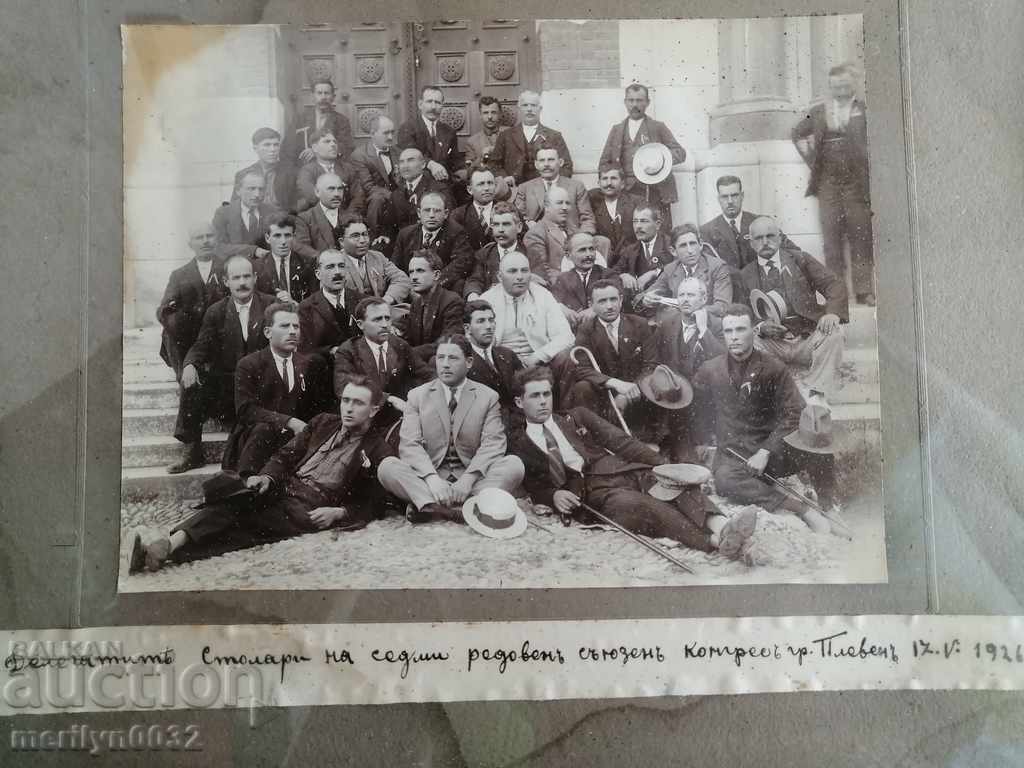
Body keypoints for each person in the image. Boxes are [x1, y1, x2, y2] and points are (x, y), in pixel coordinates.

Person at [128, 376, 397, 573]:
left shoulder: (376, 448)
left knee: (242, 524)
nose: (348, 408)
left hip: (308, 506)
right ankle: (165, 549)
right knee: (236, 501)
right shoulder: (322, 423)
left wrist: (339, 513)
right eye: (346, 400)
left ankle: (164, 547)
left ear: (373, 409)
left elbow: (374, 503)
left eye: (358, 403)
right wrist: (266, 477)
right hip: (281, 487)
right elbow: (285, 456)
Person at [510, 367, 756, 558]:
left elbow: (622, 442)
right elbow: (534, 485)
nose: (543, 401)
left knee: (672, 484)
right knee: (643, 505)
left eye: (546, 394)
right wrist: (553, 496)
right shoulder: (520, 444)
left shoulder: (576, 417)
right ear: (520, 402)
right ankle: (713, 543)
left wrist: (664, 467)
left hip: (622, 470)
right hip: (594, 496)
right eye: (535, 396)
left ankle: (723, 526)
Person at [692, 304, 835, 532]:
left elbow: (795, 412)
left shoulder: (773, 368)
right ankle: (802, 509)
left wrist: (766, 450)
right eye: (728, 331)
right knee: (725, 482)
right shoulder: (710, 369)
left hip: (771, 451)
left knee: (820, 444)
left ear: (753, 331)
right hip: (734, 455)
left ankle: (828, 503)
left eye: (740, 330)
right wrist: (702, 439)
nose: (734, 337)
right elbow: (698, 409)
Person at [378, 334, 525, 523]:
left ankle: (429, 506)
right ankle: (462, 510)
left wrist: (468, 480)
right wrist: (432, 479)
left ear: (469, 362)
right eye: (441, 358)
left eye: (453, 358)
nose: (445, 364)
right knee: (387, 467)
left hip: (472, 477)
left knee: (514, 465)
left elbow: (493, 444)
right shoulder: (417, 396)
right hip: (431, 477)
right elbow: (410, 445)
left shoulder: (488, 396)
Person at [170, 255, 276, 474]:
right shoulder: (216, 311)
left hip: (264, 386)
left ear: (255, 278)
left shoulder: (271, 306)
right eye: (236, 277)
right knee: (192, 383)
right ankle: (192, 450)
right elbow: (202, 345)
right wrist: (189, 365)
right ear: (226, 282)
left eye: (247, 276)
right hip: (230, 389)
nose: (242, 282)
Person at [738, 216, 847, 406]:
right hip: (772, 345)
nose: (765, 242)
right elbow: (741, 311)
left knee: (834, 332)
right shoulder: (745, 274)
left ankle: (816, 391)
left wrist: (832, 313)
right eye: (759, 238)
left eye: (771, 236)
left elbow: (833, 284)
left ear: (780, 237)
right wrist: (760, 326)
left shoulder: (800, 260)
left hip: (807, 339)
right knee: (747, 339)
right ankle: (774, 391)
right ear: (751, 242)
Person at [221, 300, 334, 476]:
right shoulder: (249, 364)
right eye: (284, 326)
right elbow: (246, 410)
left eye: (296, 326)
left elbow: (322, 406)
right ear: (267, 332)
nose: (292, 331)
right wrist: (288, 421)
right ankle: (248, 484)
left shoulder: (312, 364)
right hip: (258, 441)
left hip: (296, 441)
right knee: (262, 429)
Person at [792, 64, 874, 307]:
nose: (841, 89)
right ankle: (838, 294)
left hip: (856, 183)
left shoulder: (864, 109)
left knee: (861, 235)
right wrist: (811, 161)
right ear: (830, 87)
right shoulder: (818, 112)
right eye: (836, 86)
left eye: (846, 85)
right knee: (831, 238)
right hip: (828, 183)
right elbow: (796, 133)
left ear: (853, 85)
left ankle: (863, 291)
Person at [641, 276, 727, 461]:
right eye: (681, 295)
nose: (685, 299)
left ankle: (694, 447)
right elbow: (654, 359)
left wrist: (704, 331)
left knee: (690, 455)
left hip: (703, 403)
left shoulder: (717, 325)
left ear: (704, 299)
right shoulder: (668, 323)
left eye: (691, 295)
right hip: (671, 399)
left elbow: (723, 364)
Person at [567, 278, 652, 430]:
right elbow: (582, 369)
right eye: (602, 301)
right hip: (605, 393)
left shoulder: (640, 324)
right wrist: (616, 384)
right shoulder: (586, 329)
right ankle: (593, 436)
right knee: (582, 387)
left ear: (621, 300)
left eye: (613, 299)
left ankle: (649, 436)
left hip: (637, 391)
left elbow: (652, 365)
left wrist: (628, 393)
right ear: (591, 304)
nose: (610, 306)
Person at [333, 297, 432, 428]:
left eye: (387, 318)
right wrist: (386, 399)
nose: (385, 325)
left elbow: (426, 374)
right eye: (377, 319)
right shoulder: (348, 350)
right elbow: (343, 386)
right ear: (360, 324)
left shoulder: (399, 345)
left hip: (400, 418)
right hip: (365, 422)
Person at [598, 84, 686, 228]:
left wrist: (659, 158)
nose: (635, 105)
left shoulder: (658, 127)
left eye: (639, 100)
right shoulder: (617, 130)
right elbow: (604, 163)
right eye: (631, 100)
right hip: (625, 192)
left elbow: (680, 153)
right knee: (629, 231)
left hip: (654, 191)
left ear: (647, 103)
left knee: (659, 230)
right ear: (625, 102)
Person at [479, 251, 574, 369]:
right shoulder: (486, 300)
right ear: (499, 276)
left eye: (524, 271)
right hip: (501, 366)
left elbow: (566, 336)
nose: (520, 277)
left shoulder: (543, 295)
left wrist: (539, 356)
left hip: (538, 362)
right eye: (512, 271)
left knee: (566, 357)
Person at [157, 222, 228, 378]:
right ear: (190, 244)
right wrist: (181, 321)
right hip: (189, 336)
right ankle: (186, 378)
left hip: (221, 333)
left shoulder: (229, 268)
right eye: (199, 237)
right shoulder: (179, 275)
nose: (205, 241)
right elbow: (163, 309)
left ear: (216, 239)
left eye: (209, 236)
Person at [698, 175, 797, 276]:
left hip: (761, 286)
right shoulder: (707, 231)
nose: (730, 201)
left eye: (734, 195)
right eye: (725, 197)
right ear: (718, 199)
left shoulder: (762, 221)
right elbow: (708, 266)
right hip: (730, 287)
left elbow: (792, 250)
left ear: (742, 196)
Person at [523, 186, 608, 288]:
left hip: (586, 281)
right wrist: (574, 282)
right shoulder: (536, 234)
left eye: (567, 203)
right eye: (559, 203)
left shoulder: (572, 229)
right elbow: (542, 271)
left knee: (602, 241)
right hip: (562, 287)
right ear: (547, 207)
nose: (565, 207)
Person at [641, 223, 732, 317]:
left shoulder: (717, 267)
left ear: (700, 245)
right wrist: (647, 299)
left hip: (708, 322)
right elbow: (648, 294)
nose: (690, 250)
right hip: (677, 324)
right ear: (673, 251)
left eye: (693, 244)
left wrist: (690, 311)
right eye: (683, 246)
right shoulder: (671, 269)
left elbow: (722, 307)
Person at [391, 191, 474, 292]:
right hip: (410, 288)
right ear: (418, 213)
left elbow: (460, 265)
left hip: (440, 289)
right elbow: (396, 267)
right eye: (427, 210)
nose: (431, 215)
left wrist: (432, 285)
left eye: (437, 211)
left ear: (446, 213)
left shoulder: (456, 232)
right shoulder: (405, 234)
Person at [488, 90, 573, 187]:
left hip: (546, 191)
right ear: (519, 109)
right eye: (525, 105)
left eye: (533, 105)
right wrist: (504, 178)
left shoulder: (554, 136)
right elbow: (494, 164)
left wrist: (553, 185)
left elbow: (566, 166)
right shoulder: (505, 135)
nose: (529, 109)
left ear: (540, 109)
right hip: (515, 190)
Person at [462, 299, 524, 425]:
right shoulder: (462, 362)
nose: (489, 326)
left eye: (491, 320)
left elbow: (524, 389)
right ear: (467, 328)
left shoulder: (507, 355)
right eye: (481, 321)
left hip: (519, 421)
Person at [297, 249, 362, 365]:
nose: (337, 272)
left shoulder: (361, 300)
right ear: (318, 274)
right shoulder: (306, 308)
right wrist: (331, 351)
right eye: (330, 267)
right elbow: (304, 349)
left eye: (341, 266)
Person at [514, 145, 596, 233]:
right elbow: (518, 217)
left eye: (551, 160)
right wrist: (528, 223)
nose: (546, 164)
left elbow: (587, 219)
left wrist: (583, 237)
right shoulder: (525, 188)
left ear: (560, 162)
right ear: (536, 164)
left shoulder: (576, 186)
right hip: (537, 237)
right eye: (542, 160)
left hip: (570, 238)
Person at [383, 147, 453, 248]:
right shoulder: (396, 194)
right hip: (404, 246)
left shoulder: (439, 189)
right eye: (402, 162)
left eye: (410, 160)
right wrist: (385, 236)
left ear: (423, 165)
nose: (405, 166)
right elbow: (389, 226)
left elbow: (448, 223)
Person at [396, 86, 465, 189]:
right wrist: (431, 164)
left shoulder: (449, 131)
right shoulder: (408, 128)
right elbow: (409, 157)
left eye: (437, 103)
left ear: (442, 106)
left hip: (445, 181)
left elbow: (455, 161)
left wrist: (464, 171)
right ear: (420, 104)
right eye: (429, 102)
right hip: (417, 181)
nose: (433, 107)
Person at [334, 213, 410, 306]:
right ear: (341, 242)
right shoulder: (335, 262)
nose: (362, 240)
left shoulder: (378, 257)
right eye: (355, 236)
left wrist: (386, 300)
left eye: (365, 234)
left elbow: (401, 279)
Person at [403, 251, 465, 361]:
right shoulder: (416, 304)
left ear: (436, 275)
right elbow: (408, 340)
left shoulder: (452, 301)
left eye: (420, 271)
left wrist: (409, 353)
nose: (414, 277)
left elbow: (447, 342)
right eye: (411, 272)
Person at [349, 114, 400, 237]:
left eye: (392, 132)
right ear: (372, 134)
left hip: (396, 199)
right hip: (371, 201)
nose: (390, 137)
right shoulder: (360, 155)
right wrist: (393, 196)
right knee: (377, 198)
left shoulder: (398, 152)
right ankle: (373, 238)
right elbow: (368, 186)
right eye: (386, 133)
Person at [551, 232, 621, 322]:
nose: (589, 254)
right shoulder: (563, 279)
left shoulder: (608, 275)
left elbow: (619, 297)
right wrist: (561, 308)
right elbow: (554, 301)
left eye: (591, 249)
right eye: (582, 250)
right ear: (568, 255)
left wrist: (595, 309)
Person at [284, 78, 355, 166]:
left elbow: (346, 147)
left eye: (327, 93)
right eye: (319, 93)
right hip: (304, 167)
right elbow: (288, 146)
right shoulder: (299, 119)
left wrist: (317, 151)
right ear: (312, 96)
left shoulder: (341, 120)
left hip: (331, 167)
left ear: (333, 97)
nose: (323, 97)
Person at [463, 202, 525, 301]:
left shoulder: (530, 253)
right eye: (496, 225)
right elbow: (475, 280)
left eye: (506, 224)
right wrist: (473, 295)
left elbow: (538, 283)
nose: (500, 230)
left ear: (519, 227)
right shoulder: (484, 254)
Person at [294, 129, 364, 213]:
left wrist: (348, 214)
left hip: (347, 215)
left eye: (334, 142)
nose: (333, 144)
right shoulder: (307, 171)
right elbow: (312, 197)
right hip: (319, 217)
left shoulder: (347, 168)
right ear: (315, 148)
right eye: (327, 142)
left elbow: (358, 196)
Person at [253, 212, 317, 303]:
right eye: (277, 236)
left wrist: (295, 305)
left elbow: (313, 302)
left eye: (287, 236)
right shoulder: (256, 267)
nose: (283, 241)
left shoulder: (308, 264)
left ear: (294, 237)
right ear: (267, 238)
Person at [213, 171, 274, 261]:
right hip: (235, 268)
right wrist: (252, 250)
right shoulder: (223, 213)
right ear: (238, 190)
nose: (257, 194)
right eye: (251, 189)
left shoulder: (271, 212)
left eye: (261, 189)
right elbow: (218, 246)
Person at [292, 172, 355, 261]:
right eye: (331, 189)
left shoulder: (352, 216)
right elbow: (302, 249)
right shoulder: (305, 218)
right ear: (317, 192)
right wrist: (327, 259)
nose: (337, 194)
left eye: (340, 189)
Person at [232, 127, 297, 212]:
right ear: (255, 148)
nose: (273, 150)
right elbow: (235, 205)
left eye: (276, 145)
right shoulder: (244, 174)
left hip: (283, 220)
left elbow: (302, 202)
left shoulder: (292, 172)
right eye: (267, 145)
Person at [608, 204, 669, 292]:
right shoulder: (630, 250)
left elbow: (679, 265)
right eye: (635, 221)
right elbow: (612, 272)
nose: (638, 226)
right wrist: (623, 275)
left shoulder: (669, 244)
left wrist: (655, 272)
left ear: (658, 224)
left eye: (644, 221)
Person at [463, 96, 511, 199]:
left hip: (510, 185)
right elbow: (470, 171)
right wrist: (483, 156)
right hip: (485, 190)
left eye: (493, 112)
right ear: (480, 115)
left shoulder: (511, 134)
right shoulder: (472, 142)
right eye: (485, 113)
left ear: (500, 115)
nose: (489, 117)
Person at [588, 163, 639, 258]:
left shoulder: (635, 203)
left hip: (630, 258)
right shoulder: (592, 203)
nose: (609, 183)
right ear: (599, 183)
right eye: (604, 179)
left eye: (613, 178)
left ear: (623, 184)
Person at [450, 165, 498, 252]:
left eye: (490, 183)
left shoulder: (509, 210)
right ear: (470, 190)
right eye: (481, 184)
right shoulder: (458, 216)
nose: (487, 188)